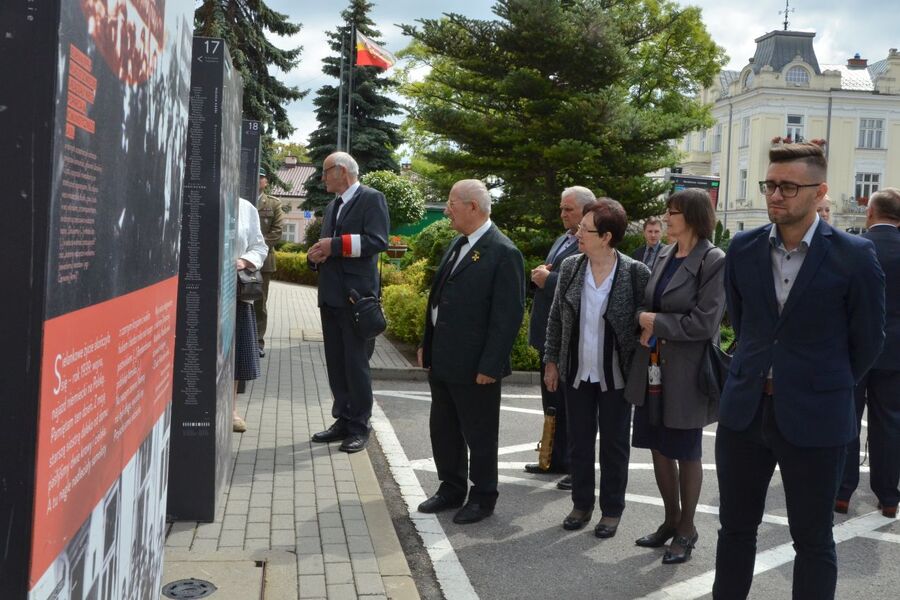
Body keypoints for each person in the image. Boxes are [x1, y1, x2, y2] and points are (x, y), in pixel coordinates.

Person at [712, 142, 885, 599]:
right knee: (734, 530)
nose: (775, 195)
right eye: (771, 185)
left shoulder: (853, 255)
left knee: (812, 539)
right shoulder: (744, 246)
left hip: (816, 416)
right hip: (745, 411)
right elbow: (745, 323)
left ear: (819, 190)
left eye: (788, 186)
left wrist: (823, 382)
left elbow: (867, 342)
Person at [624, 189, 725, 563]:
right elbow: (648, 303)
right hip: (652, 366)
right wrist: (642, 319)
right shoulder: (665, 254)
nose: (667, 218)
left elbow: (705, 322)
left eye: (673, 212)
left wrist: (657, 323)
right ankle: (669, 521)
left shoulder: (713, 259)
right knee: (658, 444)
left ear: (694, 216)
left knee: (685, 451)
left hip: (687, 371)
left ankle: (687, 529)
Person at [417, 179, 525, 524]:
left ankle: (483, 496)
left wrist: (491, 364)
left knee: (479, 433)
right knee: (444, 428)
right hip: (445, 359)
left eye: (452, 203)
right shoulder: (458, 243)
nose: (447, 210)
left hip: (476, 365)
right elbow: (438, 299)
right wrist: (427, 343)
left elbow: (507, 317)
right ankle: (451, 488)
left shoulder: (503, 251)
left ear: (473, 207)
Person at [544, 199, 650, 538]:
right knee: (579, 441)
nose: (577, 234)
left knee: (614, 445)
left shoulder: (635, 273)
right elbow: (557, 319)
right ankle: (581, 504)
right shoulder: (573, 266)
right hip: (576, 371)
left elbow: (643, 325)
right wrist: (551, 361)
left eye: (584, 230)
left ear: (605, 236)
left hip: (615, 375)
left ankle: (612, 510)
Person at [308, 152, 389, 453]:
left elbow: (377, 241)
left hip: (356, 299)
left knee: (355, 365)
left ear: (342, 171)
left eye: (326, 171)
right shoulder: (333, 205)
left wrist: (335, 246)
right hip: (330, 297)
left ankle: (359, 426)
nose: (323, 177)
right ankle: (342, 419)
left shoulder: (371, 198)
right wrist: (314, 256)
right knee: (337, 364)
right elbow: (328, 249)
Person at [525, 186, 595, 490]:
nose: (563, 214)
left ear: (585, 210)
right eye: (562, 208)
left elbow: (581, 284)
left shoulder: (587, 242)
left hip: (572, 337)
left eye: (569, 209)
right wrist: (542, 274)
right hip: (549, 333)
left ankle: (572, 463)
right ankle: (553, 456)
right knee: (551, 399)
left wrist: (548, 279)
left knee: (572, 404)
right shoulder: (562, 239)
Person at [836, 187, 900, 518]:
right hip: (896, 353)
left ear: (870, 213)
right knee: (889, 422)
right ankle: (889, 497)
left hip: (854, 350)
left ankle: (842, 492)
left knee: (847, 417)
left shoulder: (855, 247)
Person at [233, 197, 269, 432]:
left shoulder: (246, 208)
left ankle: (231, 409)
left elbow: (259, 246)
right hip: (197, 291)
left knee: (233, 352)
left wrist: (245, 260)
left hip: (234, 292)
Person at [254, 168, 285, 358]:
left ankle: (258, 342)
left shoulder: (273, 203)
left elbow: (277, 231)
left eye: (261, 178)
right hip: (238, 261)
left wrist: (255, 251)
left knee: (259, 302)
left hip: (263, 261)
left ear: (266, 182)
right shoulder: (239, 198)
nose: (258, 181)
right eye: (256, 177)